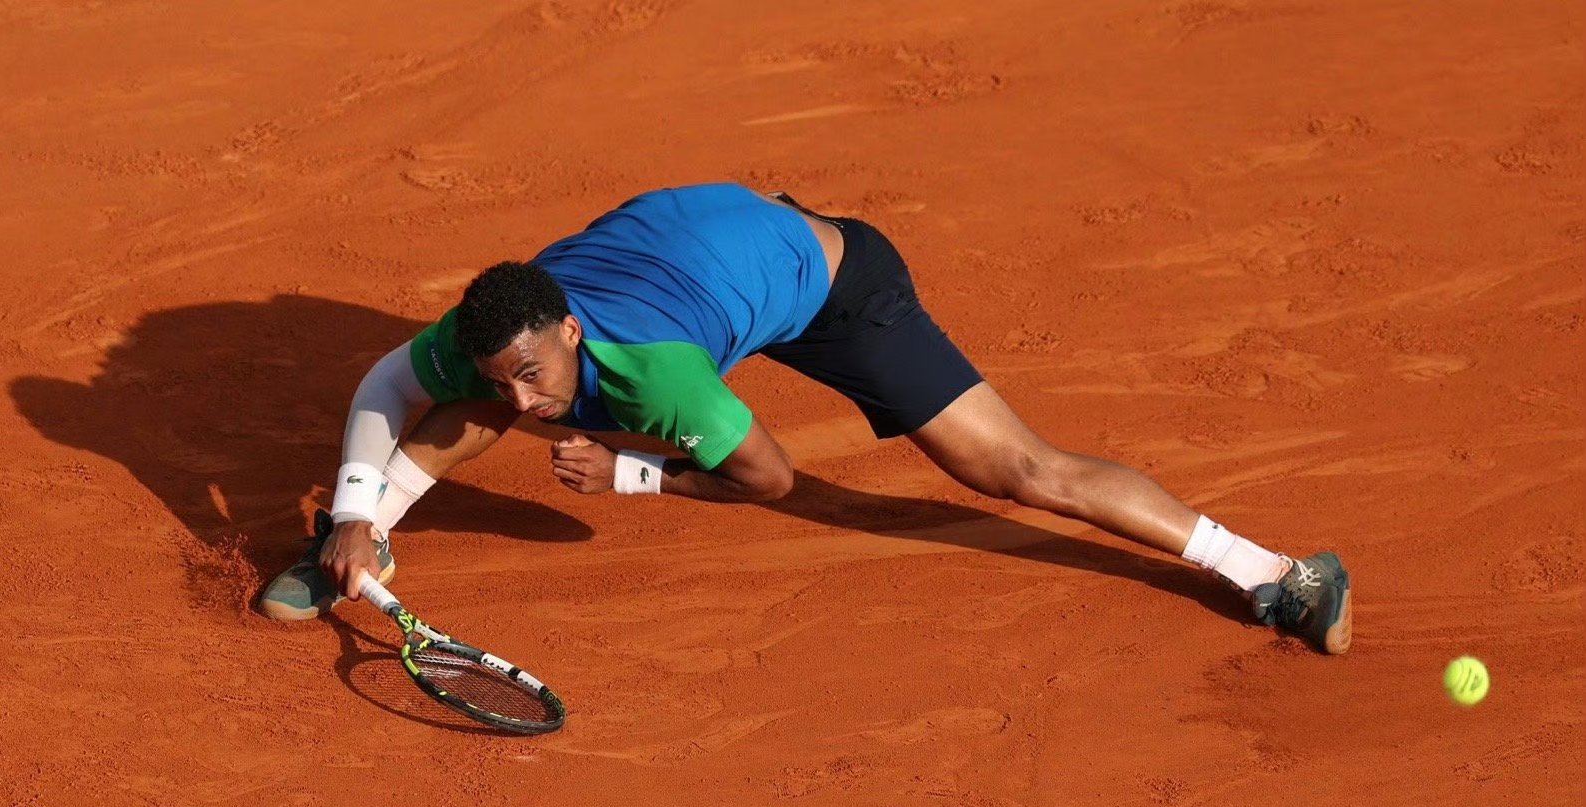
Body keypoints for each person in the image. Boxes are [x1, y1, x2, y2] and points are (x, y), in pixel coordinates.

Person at [260, 183, 1351, 654]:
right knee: (472, 402)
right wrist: (355, 504)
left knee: (1014, 469)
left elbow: (770, 481)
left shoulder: (663, 385)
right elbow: (388, 385)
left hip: (834, 284)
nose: (519, 394)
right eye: (501, 372)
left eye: (532, 369)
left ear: (575, 334)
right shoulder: (502, 333)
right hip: (720, 241)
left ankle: (1267, 570)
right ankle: (357, 541)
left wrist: (634, 474)